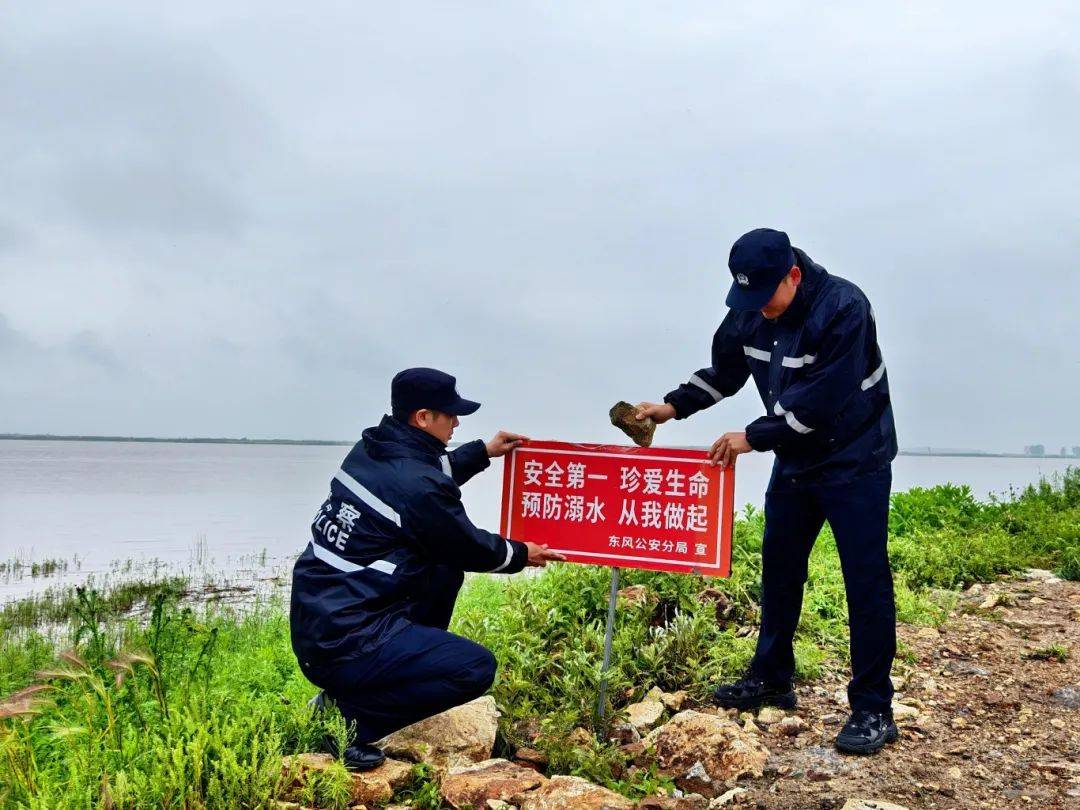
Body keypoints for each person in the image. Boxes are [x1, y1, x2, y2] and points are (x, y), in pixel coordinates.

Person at [636, 228, 899, 755]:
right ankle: (772, 678)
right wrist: (671, 407)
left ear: (794, 276)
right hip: (797, 461)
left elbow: (822, 402)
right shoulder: (753, 305)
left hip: (854, 460)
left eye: (766, 298)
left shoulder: (844, 307)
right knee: (779, 569)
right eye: (748, 300)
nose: (760, 310)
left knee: (864, 582)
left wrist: (752, 437)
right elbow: (724, 371)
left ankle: (873, 708)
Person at [290, 367, 564, 770]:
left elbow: (424, 479)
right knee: (474, 668)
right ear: (422, 417)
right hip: (345, 641)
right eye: (449, 414)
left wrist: (484, 451)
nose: (456, 422)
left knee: (441, 570)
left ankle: (360, 684)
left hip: (321, 623)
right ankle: (348, 723)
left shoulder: (372, 449)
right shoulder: (416, 485)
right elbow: (464, 543)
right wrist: (522, 554)